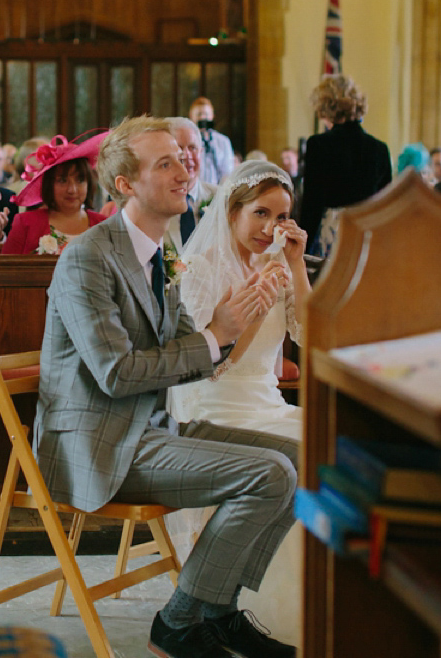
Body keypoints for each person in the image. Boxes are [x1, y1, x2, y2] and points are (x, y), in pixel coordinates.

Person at [36, 115, 299, 658]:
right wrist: (215, 335)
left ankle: (216, 612)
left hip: (151, 428)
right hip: (98, 442)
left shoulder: (159, 256)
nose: (184, 171)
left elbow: (197, 360)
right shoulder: (89, 256)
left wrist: (235, 327)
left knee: (306, 458)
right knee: (270, 473)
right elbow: (117, 373)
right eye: (165, 163)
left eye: (181, 159)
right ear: (126, 185)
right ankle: (181, 621)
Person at [166, 160, 312, 647]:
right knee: (301, 455)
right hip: (212, 408)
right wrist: (253, 305)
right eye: (260, 214)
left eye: (281, 216)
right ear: (232, 212)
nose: (270, 227)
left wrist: (293, 265)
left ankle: (294, 607)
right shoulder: (202, 271)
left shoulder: (277, 265)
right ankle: (233, 606)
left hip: (264, 403)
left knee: (332, 442)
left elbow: (312, 335)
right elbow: (210, 366)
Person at [297, 75, 391, 256]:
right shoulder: (379, 148)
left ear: (325, 107)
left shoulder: (319, 144)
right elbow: (384, 202)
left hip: (332, 231)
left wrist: (302, 247)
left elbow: (313, 200)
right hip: (367, 232)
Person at [2, 133, 109, 254]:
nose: (72, 190)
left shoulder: (104, 225)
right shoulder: (25, 223)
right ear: (49, 185)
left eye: (80, 180)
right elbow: (6, 269)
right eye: (62, 181)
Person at [166, 118, 218, 253]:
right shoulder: (154, 201)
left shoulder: (220, 198)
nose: (186, 155)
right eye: (179, 148)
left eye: (192, 148)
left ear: (201, 152)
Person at [190, 96, 236, 185]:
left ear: (212, 116)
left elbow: (228, 171)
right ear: (192, 116)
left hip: (218, 190)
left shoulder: (223, 141)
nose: (203, 117)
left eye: (206, 114)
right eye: (199, 114)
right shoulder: (188, 140)